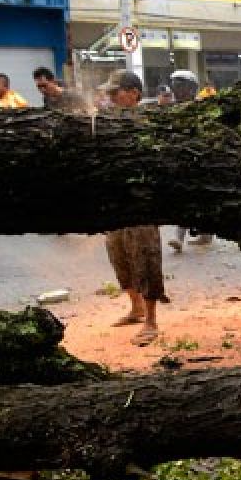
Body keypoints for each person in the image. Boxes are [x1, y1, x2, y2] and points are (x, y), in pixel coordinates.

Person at [99, 70, 170, 346]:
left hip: (142, 202)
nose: (110, 97)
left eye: (115, 92)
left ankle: (151, 320)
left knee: (145, 257)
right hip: (116, 203)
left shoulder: (149, 122)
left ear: (134, 94)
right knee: (118, 254)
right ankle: (136, 307)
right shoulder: (110, 120)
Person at [164, 70, 213, 253]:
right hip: (180, 160)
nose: (179, 91)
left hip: (200, 159)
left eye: (182, 86)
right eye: (176, 86)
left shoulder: (201, 108)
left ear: (191, 88)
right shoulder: (170, 109)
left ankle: (196, 234)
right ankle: (184, 235)